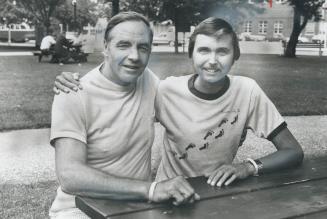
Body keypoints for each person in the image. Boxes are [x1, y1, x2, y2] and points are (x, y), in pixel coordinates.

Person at [54, 17, 303, 188]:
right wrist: (74, 85)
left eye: (222, 51)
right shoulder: (164, 90)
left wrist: (248, 167)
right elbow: (114, 94)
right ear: (191, 54)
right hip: (169, 192)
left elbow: (293, 151)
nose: (213, 60)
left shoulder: (248, 91)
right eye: (204, 50)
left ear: (235, 55)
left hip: (218, 189)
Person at [50, 12, 199, 219]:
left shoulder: (148, 81)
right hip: (79, 209)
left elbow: (191, 113)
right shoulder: (73, 93)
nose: (135, 56)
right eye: (123, 45)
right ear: (106, 47)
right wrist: (151, 189)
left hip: (135, 207)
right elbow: (69, 176)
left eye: (143, 47)